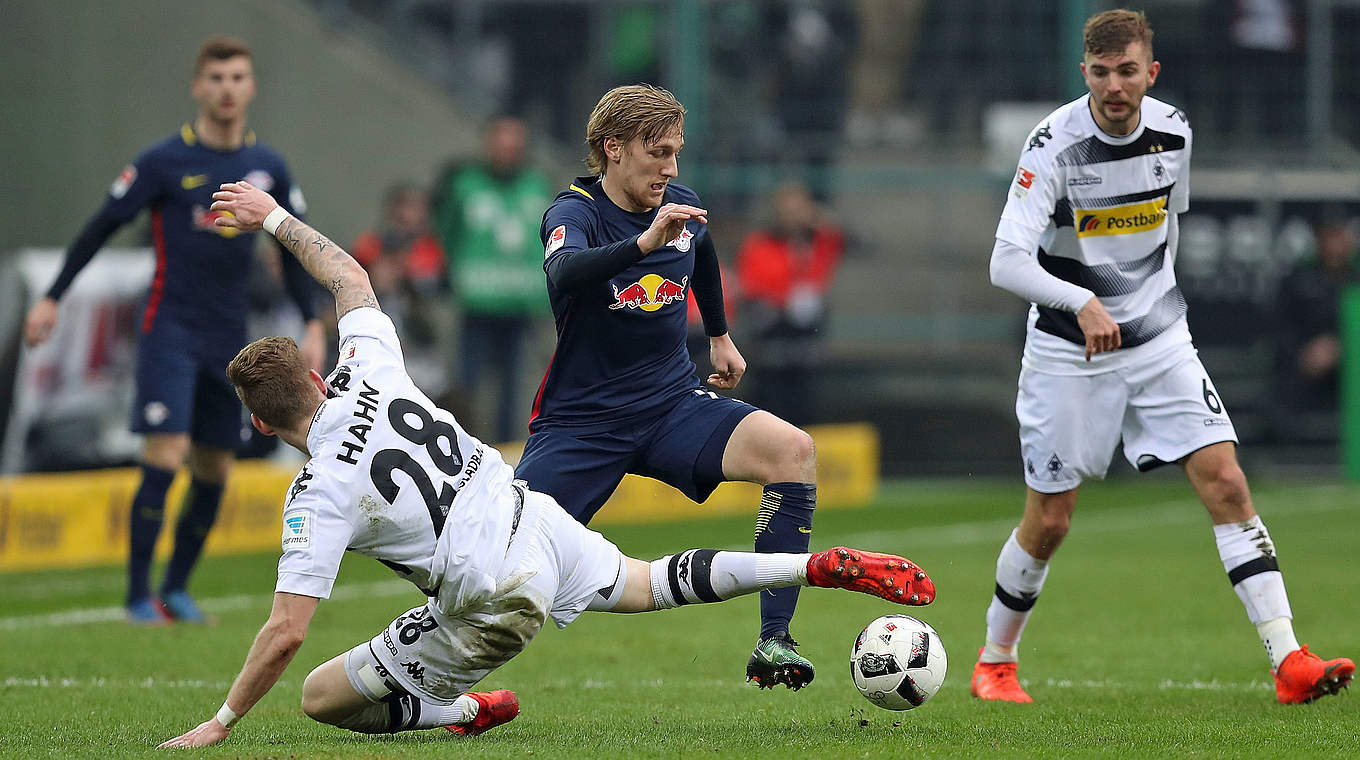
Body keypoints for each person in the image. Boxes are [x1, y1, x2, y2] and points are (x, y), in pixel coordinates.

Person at [155, 180, 936, 748]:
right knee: (646, 581)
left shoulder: (315, 491)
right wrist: (275, 217)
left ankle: (459, 711)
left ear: (259, 422)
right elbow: (348, 277)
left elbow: (288, 632)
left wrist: (220, 723)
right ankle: (810, 567)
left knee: (322, 699)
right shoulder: (372, 367)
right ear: (321, 377)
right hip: (534, 518)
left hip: (490, 591)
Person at [972, 9, 1353, 706]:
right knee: (1051, 519)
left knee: (1228, 483)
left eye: (1127, 71)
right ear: (1083, 73)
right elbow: (1005, 261)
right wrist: (1080, 303)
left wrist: (1153, 310)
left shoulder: (1174, 131)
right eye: (1100, 72)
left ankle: (1289, 660)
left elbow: (1165, 227)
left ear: (1151, 72)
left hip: (1160, 343)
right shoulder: (1053, 145)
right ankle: (996, 660)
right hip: (1068, 352)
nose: (1114, 86)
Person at [517, 84, 827, 691]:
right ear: (613, 148)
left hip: (670, 406)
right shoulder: (573, 212)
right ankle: (420, 679)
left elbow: (701, 251)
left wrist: (719, 335)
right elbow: (564, 271)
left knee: (793, 451)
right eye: (657, 152)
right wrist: (641, 244)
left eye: (676, 153)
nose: (670, 168)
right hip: (582, 425)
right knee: (503, 566)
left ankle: (774, 640)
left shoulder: (679, 207)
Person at [21, 37, 324, 625]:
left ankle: (176, 589)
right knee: (165, 451)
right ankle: (138, 596)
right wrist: (53, 298)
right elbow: (101, 225)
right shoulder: (163, 162)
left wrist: (311, 319)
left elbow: (290, 249)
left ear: (251, 87)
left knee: (216, 467)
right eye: (216, 78)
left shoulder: (269, 169)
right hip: (170, 327)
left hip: (230, 341)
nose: (227, 88)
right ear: (197, 86)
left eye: (238, 77)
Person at [432, 116, 553, 443]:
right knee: (466, 383)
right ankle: (457, 449)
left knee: (514, 388)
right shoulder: (464, 184)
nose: (507, 152)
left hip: (520, 303)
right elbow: (445, 231)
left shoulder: (536, 185)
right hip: (477, 300)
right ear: (488, 145)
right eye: (501, 144)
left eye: (514, 146)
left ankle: (503, 452)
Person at [735, 181, 845, 425]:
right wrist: (782, 305)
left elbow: (852, 239)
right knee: (770, 407)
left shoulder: (818, 241)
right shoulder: (761, 244)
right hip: (772, 338)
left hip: (806, 340)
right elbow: (751, 287)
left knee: (804, 408)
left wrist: (820, 219)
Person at [1272, 205, 1359, 438]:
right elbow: (1281, 329)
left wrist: (1342, 347)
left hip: (1352, 366)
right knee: (1283, 390)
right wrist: (1305, 353)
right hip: (1305, 368)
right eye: (1328, 236)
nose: (1335, 244)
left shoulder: (1355, 279)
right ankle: (1291, 452)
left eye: (1339, 235)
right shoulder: (1298, 281)